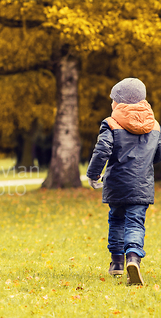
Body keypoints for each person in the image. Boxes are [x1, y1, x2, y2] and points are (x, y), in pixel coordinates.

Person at [87, 78, 161, 285]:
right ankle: (134, 258)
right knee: (135, 222)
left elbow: (102, 151)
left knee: (117, 220)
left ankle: (117, 262)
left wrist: (93, 174)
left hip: (117, 184)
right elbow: (157, 154)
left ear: (120, 102)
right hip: (142, 185)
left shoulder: (111, 123)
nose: (111, 104)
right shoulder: (154, 126)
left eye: (113, 100)